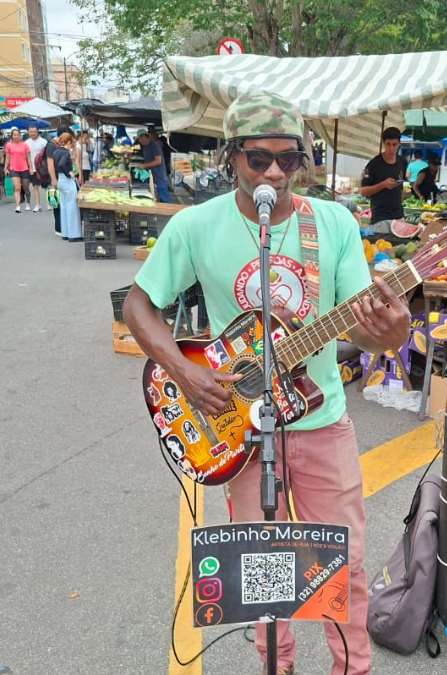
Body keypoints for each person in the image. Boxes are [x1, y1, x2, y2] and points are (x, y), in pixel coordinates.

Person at [123, 91, 411, 675]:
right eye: (259, 159)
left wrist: (394, 331)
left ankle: (352, 669)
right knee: (263, 569)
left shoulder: (330, 222)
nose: (275, 173)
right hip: (240, 427)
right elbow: (138, 303)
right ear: (232, 158)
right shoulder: (195, 226)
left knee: (346, 560)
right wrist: (185, 369)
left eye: (289, 159)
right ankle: (275, 667)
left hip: (321, 418)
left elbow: (369, 331)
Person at [359, 126, 406, 229]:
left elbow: (401, 188)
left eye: (394, 145)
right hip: (380, 218)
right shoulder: (374, 164)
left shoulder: (402, 162)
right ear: (383, 143)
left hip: (399, 216)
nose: (391, 148)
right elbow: (363, 191)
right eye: (388, 144)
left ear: (399, 143)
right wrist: (383, 184)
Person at [49, 126, 81, 242]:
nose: (72, 144)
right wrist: (69, 174)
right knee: (72, 207)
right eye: (71, 142)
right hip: (67, 181)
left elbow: (57, 165)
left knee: (64, 207)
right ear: (68, 142)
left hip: (60, 181)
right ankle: (74, 234)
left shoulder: (56, 151)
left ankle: (65, 233)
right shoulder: (66, 153)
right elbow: (62, 164)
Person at [136, 132, 172, 203]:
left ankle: (170, 212)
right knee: (151, 193)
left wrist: (144, 165)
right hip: (151, 174)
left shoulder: (154, 146)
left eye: (140, 139)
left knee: (164, 196)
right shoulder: (146, 147)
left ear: (143, 137)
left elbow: (158, 161)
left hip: (159, 175)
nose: (139, 141)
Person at [5, 128, 30, 213]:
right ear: (12, 136)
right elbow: (7, 158)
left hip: (24, 168)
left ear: (20, 135)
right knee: (17, 188)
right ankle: (17, 206)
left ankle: (27, 203)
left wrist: (30, 168)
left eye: (17, 135)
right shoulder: (8, 145)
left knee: (26, 188)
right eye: (14, 135)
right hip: (13, 169)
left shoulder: (24, 145)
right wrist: (6, 168)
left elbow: (28, 158)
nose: (16, 136)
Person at [25, 125, 47, 211]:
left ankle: (48, 203)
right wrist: (29, 168)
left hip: (43, 168)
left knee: (46, 186)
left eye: (34, 132)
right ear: (28, 132)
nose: (33, 133)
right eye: (31, 132)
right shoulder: (26, 143)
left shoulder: (44, 142)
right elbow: (27, 157)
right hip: (33, 168)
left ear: (37, 132)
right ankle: (38, 204)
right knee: (35, 186)